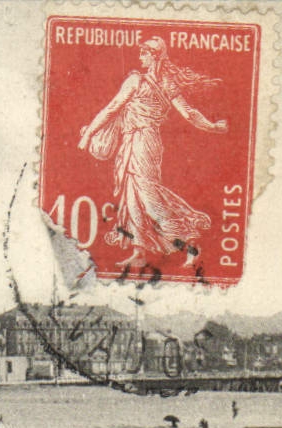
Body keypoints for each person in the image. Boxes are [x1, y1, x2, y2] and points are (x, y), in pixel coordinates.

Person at [78, 36, 228, 269]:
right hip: (133, 141)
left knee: (149, 199)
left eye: (143, 53)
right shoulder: (159, 82)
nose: (140, 57)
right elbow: (188, 113)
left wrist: (88, 135)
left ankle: (191, 245)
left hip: (144, 142)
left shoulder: (139, 81)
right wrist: (212, 126)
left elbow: (112, 109)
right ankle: (139, 251)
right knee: (131, 199)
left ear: (154, 55)